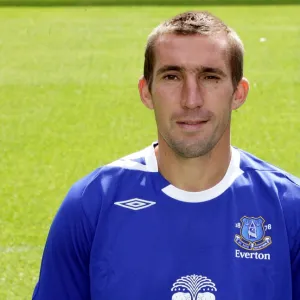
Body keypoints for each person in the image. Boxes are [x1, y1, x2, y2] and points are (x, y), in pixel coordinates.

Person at [32, 10, 300, 300]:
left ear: (238, 92)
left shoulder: (288, 208)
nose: (191, 99)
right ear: (146, 91)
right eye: (172, 76)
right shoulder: (93, 203)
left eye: (210, 77)